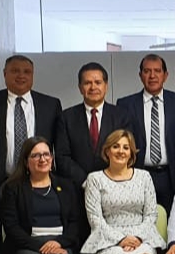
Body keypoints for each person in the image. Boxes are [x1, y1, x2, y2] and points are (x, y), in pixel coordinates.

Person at [0, 55, 64, 254]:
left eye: (26, 72)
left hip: (39, 183)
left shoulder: (50, 104)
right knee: (1, 237)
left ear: (33, 75)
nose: (21, 76)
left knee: (37, 232)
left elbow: (58, 148)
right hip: (1, 182)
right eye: (15, 71)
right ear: (4, 74)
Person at [117, 54, 175, 210]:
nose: (152, 75)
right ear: (140, 75)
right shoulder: (125, 104)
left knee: (172, 219)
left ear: (165, 75)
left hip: (171, 175)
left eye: (157, 71)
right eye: (147, 71)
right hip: (138, 174)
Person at [55, 62, 133, 190]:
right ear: (80, 88)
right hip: (77, 188)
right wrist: (86, 181)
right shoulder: (66, 118)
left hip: (113, 187)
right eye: (87, 83)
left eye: (98, 82)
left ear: (106, 86)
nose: (93, 87)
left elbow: (126, 152)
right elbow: (62, 157)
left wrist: (107, 180)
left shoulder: (122, 116)